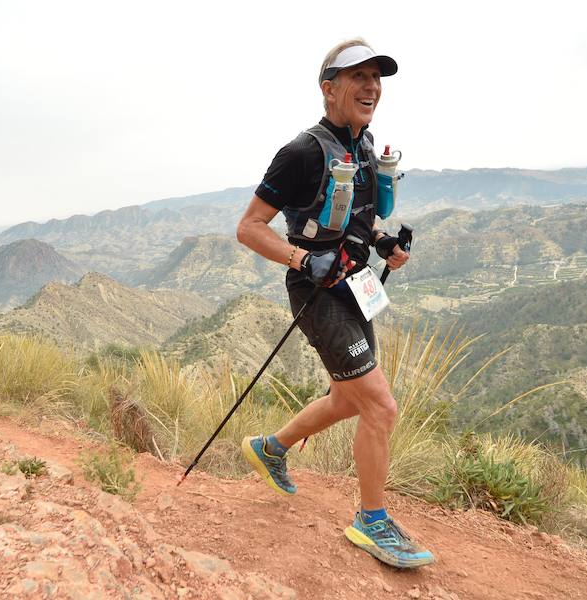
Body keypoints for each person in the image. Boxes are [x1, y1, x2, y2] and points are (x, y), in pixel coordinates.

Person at [235, 39, 435, 569]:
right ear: (330, 88)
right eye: (359, 77)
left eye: (378, 79)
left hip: (358, 285)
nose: (372, 87)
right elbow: (249, 228)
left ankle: (270, 448)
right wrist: (303, 260)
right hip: (318, 291)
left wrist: (384, 244)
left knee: (350, 401)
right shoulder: (302, 151)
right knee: (380, 406)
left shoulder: (366, 147)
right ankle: (372, 521)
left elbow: (357, 219)